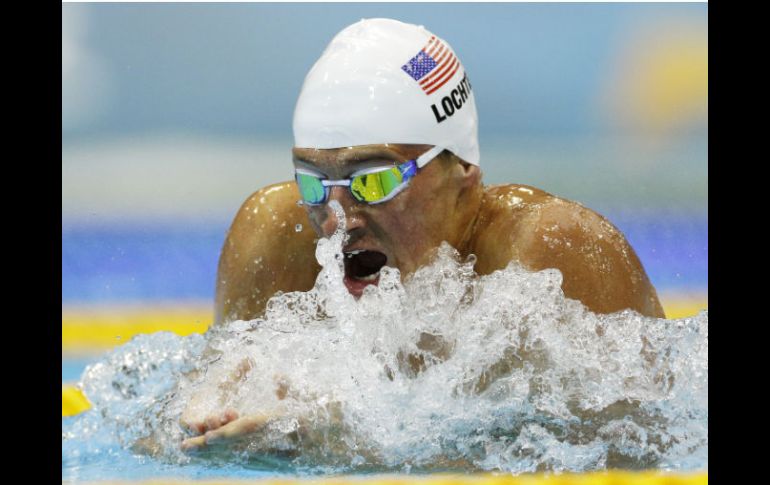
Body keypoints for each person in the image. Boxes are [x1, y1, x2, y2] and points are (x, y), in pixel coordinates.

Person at [179, 18, 664, 452]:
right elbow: (161, 442)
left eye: (373, 181)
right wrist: (199, 420)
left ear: (463, 170)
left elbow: (632, 451)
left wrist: (343, 446)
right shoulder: (277, 235)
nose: (337, 221)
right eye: (313, 182)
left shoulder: (552, 255)